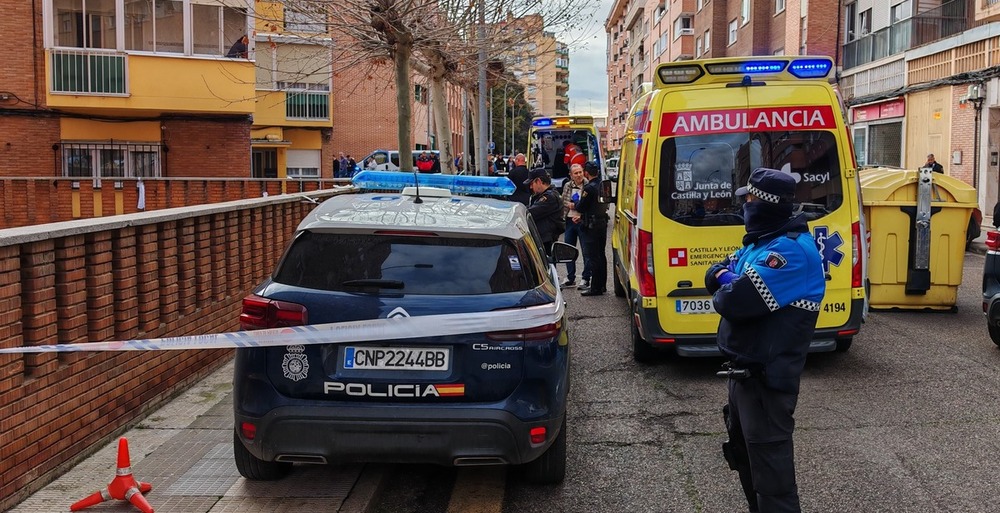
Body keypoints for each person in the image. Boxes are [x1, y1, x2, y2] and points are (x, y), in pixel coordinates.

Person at [704, 167, 826, 513]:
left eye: (749, 199)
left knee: (773, 482)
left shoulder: (790, 252)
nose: (744, 205)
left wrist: (729, 280)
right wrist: (730, 277)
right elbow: (713, 274)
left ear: (764, 203)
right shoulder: (760, 245)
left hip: (767, 382)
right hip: (743, 377)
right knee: (746, 462)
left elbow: (732, 300)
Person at [574, 161, 609, 296]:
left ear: (586, 173)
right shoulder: (602, 184)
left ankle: (595, 288)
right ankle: (602, 285)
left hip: (592, 226)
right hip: (602, 222)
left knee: (594, 257)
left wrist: (575, 204)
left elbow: (581, 206)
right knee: (601, 255)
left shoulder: (589, 188)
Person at [560, 163, 590, 288]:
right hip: (570, 221)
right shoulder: (568, 185)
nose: (579, 175)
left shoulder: (588, 186)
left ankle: (586, 278)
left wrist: (580, 212)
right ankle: (570, 277)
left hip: (582, 221)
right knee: (568, 250)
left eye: (580, 172)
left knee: (585, 251)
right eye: (576, 173)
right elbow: (563, 200)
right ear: (571, 175)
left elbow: (590, 204)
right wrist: (571, 205)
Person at [525, 168, 564, 256]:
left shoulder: (549, 197)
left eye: (532, 183)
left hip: (546, 241)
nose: (531, 187)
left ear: (538, 181)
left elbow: (531, 212)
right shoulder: (543, 195)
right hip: (543, 239)